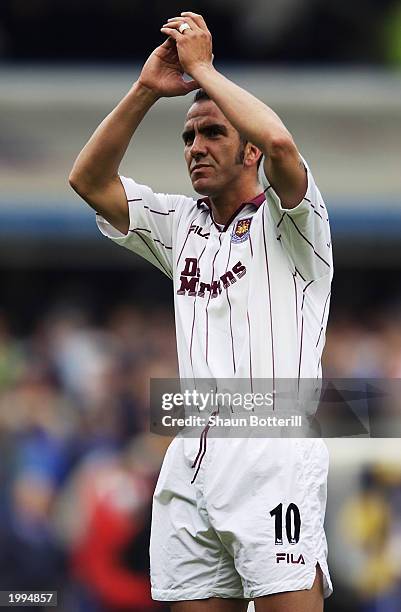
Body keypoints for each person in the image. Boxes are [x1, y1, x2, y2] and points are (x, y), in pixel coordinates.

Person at [69, 11, 333, 611]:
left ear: (249, 153)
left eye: (212, 133)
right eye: (188, 137)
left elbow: (283, 144)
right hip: (190, 456)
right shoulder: (179, 224)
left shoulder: (295, 223)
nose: (196, 147)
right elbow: (88, 178)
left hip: (273, 452)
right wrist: (144, 90)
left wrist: (205, 71)